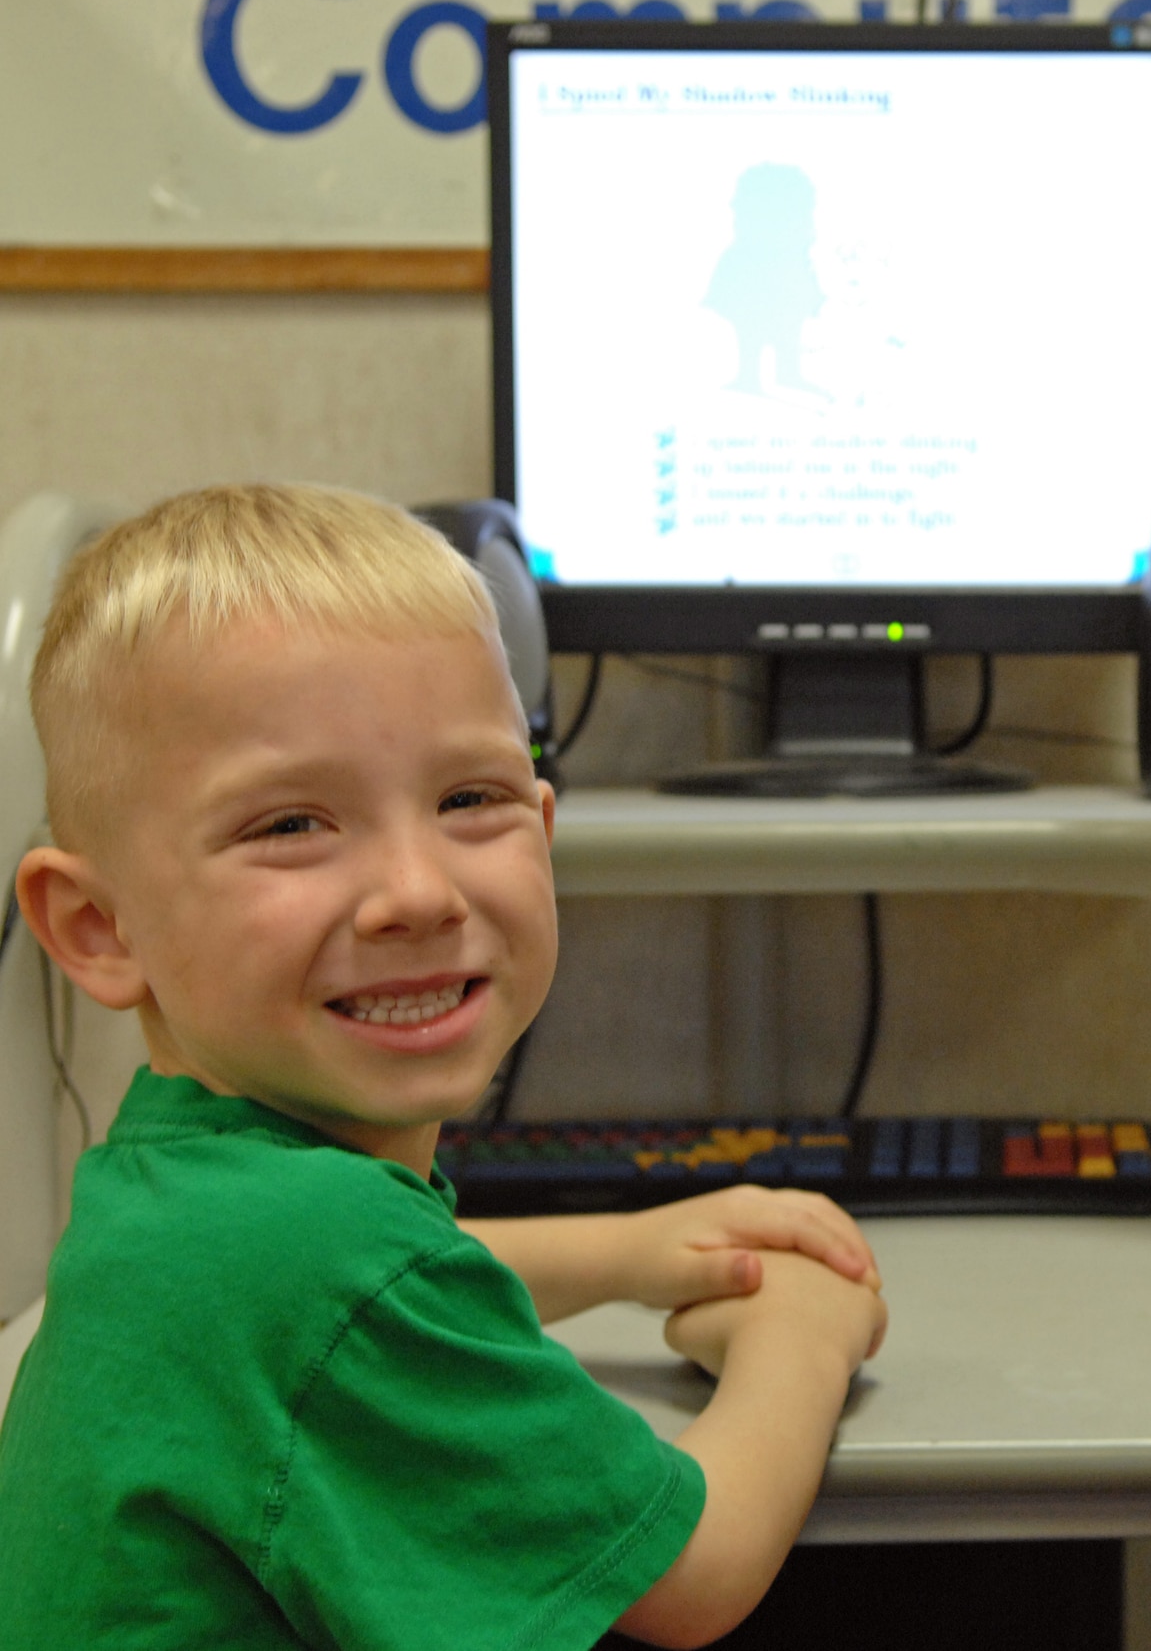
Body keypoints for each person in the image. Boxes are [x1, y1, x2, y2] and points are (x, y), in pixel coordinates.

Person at [0, 483, 889, 1649]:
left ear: (543, 824)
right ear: (97, 928)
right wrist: (803, 1336)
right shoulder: (307, 1259)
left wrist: (623, 1252)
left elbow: (373, 1278)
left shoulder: (181, 1179)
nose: (418, 892)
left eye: (470, 798)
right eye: (290, 825)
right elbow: (697, 1572)